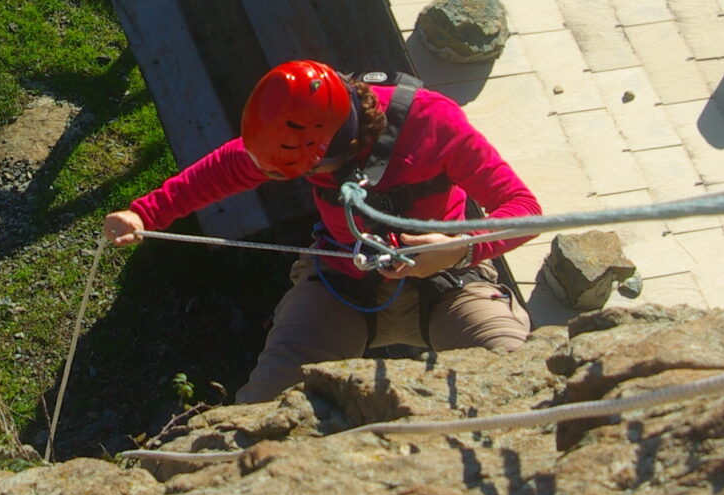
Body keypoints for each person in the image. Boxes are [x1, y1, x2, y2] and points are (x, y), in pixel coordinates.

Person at [104, 58, 538, 403]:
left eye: (321, 169)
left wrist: (459, 250)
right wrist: (146, 215)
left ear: (346, 140)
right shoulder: (292, 133)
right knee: (265, 404)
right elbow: (223, 170)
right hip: (342, 284)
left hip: (447, 287)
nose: (318, 177)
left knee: (520, 377)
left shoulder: (431, 122)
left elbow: (524, 208)